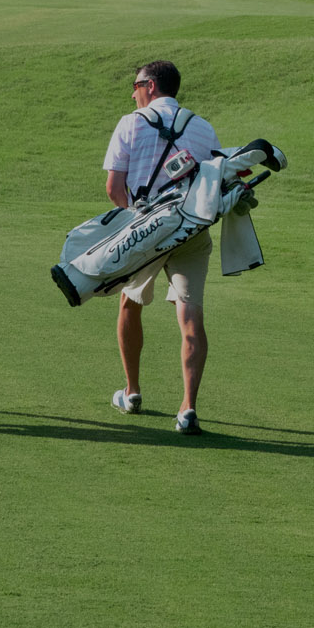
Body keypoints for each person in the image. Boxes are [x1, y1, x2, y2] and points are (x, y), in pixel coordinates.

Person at [102, 59, 220, 435]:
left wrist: (135, 223)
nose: (133, 94)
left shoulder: (130, 123)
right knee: (190, 316)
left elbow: (114, 188)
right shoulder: (202, 127)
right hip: (191, 230)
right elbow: (216, 184)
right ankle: (188, 408)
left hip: (147, 231)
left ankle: (132, 391)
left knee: (129, 303)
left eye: (136, 86)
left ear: (150, 86)